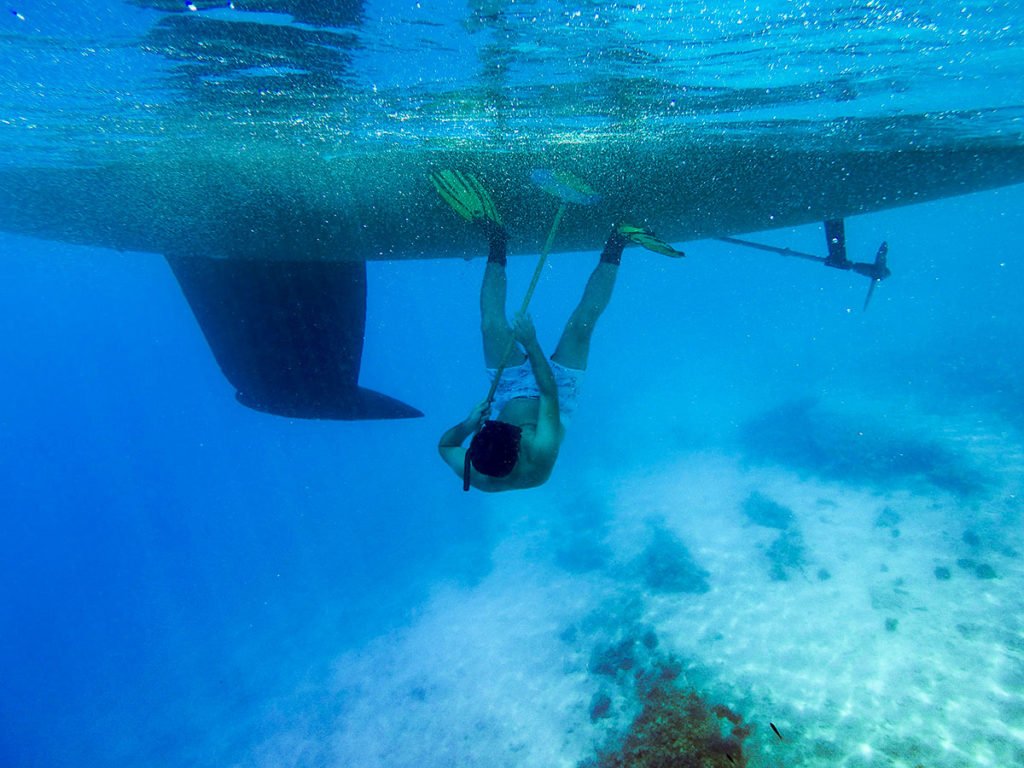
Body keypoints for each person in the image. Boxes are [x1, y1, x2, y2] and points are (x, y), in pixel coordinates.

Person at [438, 215, 682, 492]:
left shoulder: (475, 473)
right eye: (511, 431)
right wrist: (531, 343)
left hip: (508, 391)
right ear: (519, 452)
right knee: (581, 325)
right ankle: (617, 242)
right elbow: (549, 392)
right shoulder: (541, 454)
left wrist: (469, 424)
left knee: (491, 324)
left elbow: (446, 445)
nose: (502, 425)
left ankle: (497, 240)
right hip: (558, 395)